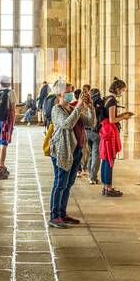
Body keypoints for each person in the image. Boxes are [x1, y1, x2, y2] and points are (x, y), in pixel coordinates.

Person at [47, 81, 94, 228]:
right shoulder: (56, 109)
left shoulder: (73, 108)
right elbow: (67, 124)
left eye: (71, 91)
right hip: (63, 151)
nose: (70, 93)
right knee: (60, 183)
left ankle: (62, 213)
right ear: (59, 94)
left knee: (68, 184)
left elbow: (90, 122)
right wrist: (79, 107)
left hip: (76, 151)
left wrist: (90, 108)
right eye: (67, 91)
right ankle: (54, 216)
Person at [99, 78, 133, 198]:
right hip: (109, 131)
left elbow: (110, 116)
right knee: (109, 159)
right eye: (123, 90)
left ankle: (105, 186)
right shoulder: (112, 101)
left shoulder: (107, 98)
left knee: (105, 159)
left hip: (104, 130)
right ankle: (108, 188)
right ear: (117, 89)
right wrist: (124, 118)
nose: (123, 93)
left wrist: (123, 115)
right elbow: (112, 120)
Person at [85, 85, 103, 185]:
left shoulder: (86, 102)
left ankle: (89, 173)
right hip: (95, 132)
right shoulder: (99, 102)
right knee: (96, 155)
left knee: (90, 153)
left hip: (86, 131)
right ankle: (93, 177)